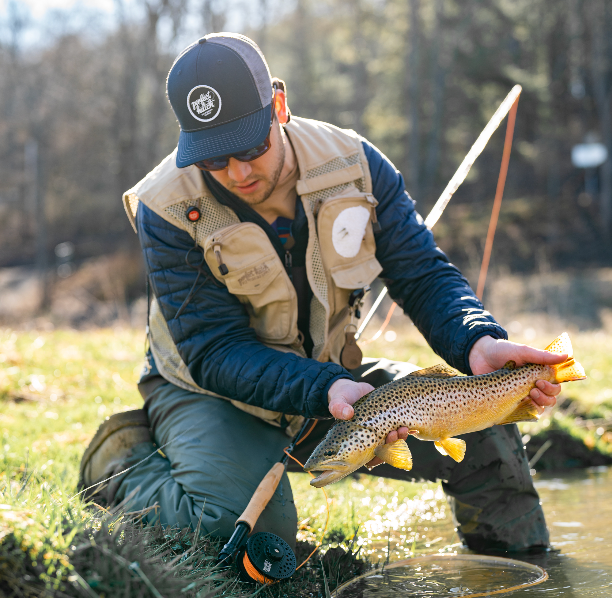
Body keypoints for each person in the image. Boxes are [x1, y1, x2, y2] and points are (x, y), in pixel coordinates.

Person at [79, 33, 563, 553]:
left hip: (331, 385)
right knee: (248, 538)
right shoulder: (164, 207)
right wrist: (325, 387)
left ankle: (520, 568)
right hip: (207, 393)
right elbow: (214, 351)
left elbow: (422, 274)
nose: (238, 173)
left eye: (250, 148)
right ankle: (121, 469)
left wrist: (475, 341)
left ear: (280, 107)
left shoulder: (357, 164)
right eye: (215, 160)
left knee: (488, 435)